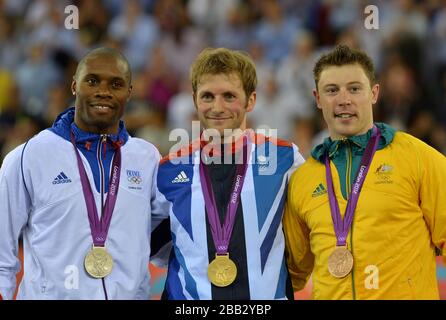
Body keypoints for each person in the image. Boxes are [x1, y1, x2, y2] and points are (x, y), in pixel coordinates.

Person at [0, 47, 168, 299]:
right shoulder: (28, 157)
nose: (103, 91)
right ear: (74, 86)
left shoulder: (147, 158)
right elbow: (3, 251)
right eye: (92, 81)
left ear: (129, 93)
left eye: (116, 84)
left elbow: (159, 242)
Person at [283, 44, 446, 299]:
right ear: (317, 99)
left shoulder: (418, 157)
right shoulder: (303, 179)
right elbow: (293, 272)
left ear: (374, 93)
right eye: (332, 90)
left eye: (354, 88)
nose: (344, 99)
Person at [154, 47, 305, 299]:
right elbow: (154, 248)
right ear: (194, 100)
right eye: (208, 96)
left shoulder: (285, 158)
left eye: (229, 96)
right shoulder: (169, 169)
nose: (218, 106)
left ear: (251, 100)